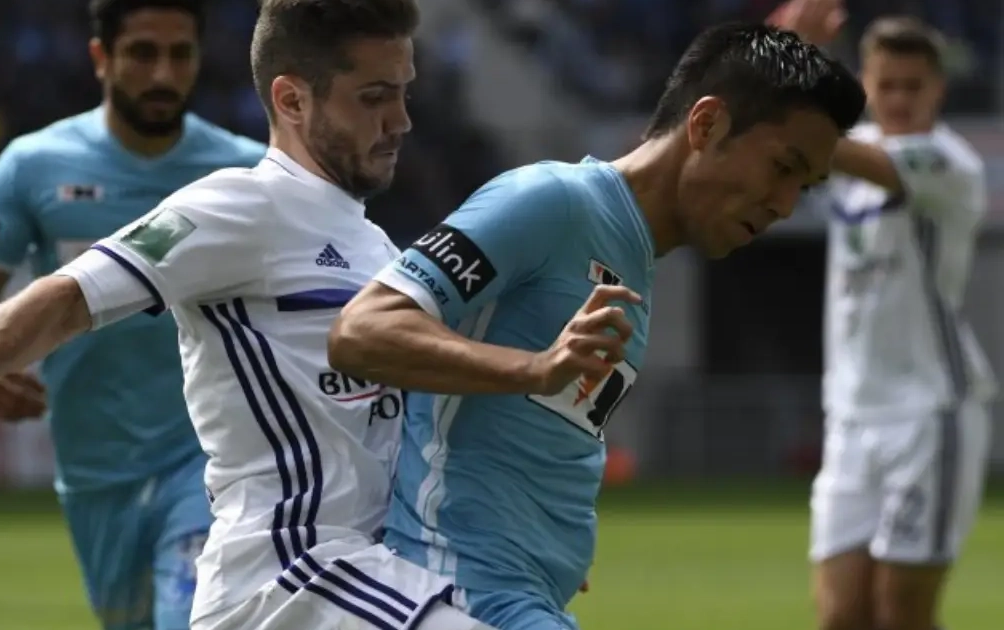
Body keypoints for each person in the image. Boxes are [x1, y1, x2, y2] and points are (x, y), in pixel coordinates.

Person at [0, 1, 491, 629]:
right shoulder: (236, 201)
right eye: (375, 96)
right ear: (292, 101)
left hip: (278, 543)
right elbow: (67, 294)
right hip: (217, 536)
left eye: (403, 93)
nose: (402, 120)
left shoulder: (375, 249)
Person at [327, 22, 866, 630]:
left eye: (804, 186)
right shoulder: (551, 201)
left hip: (522, 596)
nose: (786, 204)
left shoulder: (633, 262)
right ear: (707, 124)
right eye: (783, 168)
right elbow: (362, 330)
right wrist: (534, 369)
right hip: (462, 592)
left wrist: (553, 534)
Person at [0, 1, 263, 628]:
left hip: (213, 465)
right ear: (101, 57)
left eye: (180, 54)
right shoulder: (33, 167)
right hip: (93, 473)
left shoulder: (249, 171)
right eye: (142, 53)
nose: (163, 73)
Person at [771, 6, 996, 630]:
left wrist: (785, 67)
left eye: (912, 85)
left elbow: (819, 141)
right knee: (841, 616)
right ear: (865, 83)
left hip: (929, 412)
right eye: (885, 84)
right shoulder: (848, 149)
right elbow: (784, 139)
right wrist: (787, 55)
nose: (898, 98)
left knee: (903, 616)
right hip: (851, 416)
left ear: (938, 89)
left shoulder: (948, 162)